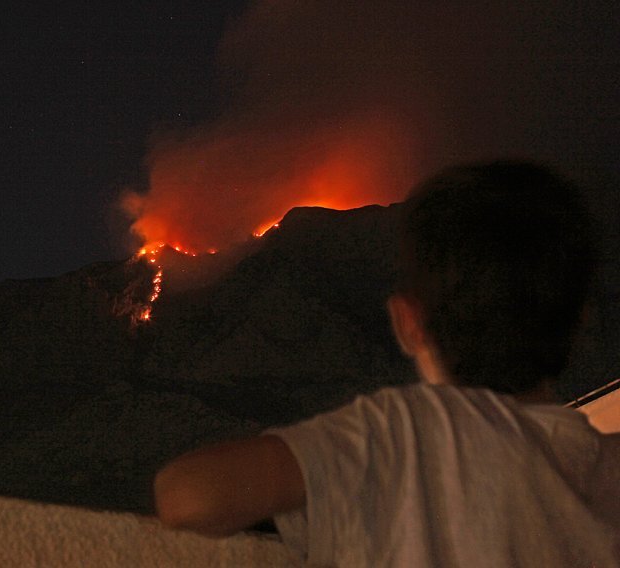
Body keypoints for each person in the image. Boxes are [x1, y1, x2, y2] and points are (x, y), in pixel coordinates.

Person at [153, 161, 620, 566]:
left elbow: (188, 497)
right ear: (581, 321)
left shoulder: (406, 433)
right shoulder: (608, 469)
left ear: (407, 322)